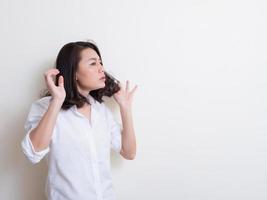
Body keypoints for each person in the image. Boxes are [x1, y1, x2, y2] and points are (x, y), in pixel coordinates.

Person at [21, 41, 138, 200]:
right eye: (93, 63)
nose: (101, 68)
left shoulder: (100, 110)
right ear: (73, 72)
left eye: (100, 62)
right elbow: (32, 153)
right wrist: (57, 101)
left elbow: (129, 152)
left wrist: (125, 107)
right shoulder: (45, 108)